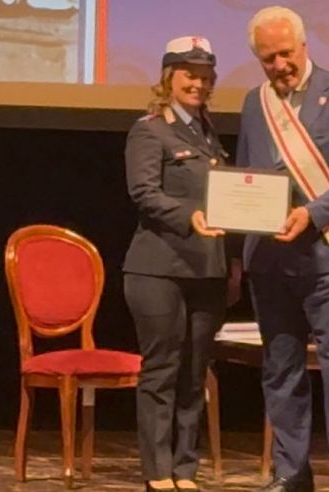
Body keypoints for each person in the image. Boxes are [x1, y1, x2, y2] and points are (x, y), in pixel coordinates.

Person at [237, 6, 329, 492]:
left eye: (285, 53)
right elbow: (247, 172)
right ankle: (291, 473)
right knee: (281, 372)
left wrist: (313, 213)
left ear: (303, 45)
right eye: (268, 58)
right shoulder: (254, 103)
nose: (279, 65)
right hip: (268, 260)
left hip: (326, 258)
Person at [122, 36, 239, 492]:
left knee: (194, 372)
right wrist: (188, 216)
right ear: (169, 77)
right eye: (190, 75)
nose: (199, 84)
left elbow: (226, 203)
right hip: (159, 269)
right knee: (162, 369)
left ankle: (185, 469)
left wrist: (233, 263)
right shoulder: (150, 130)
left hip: (207, 271)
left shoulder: (208, 132)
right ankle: (157, 471)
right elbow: (144, 193)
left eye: (206, 77)